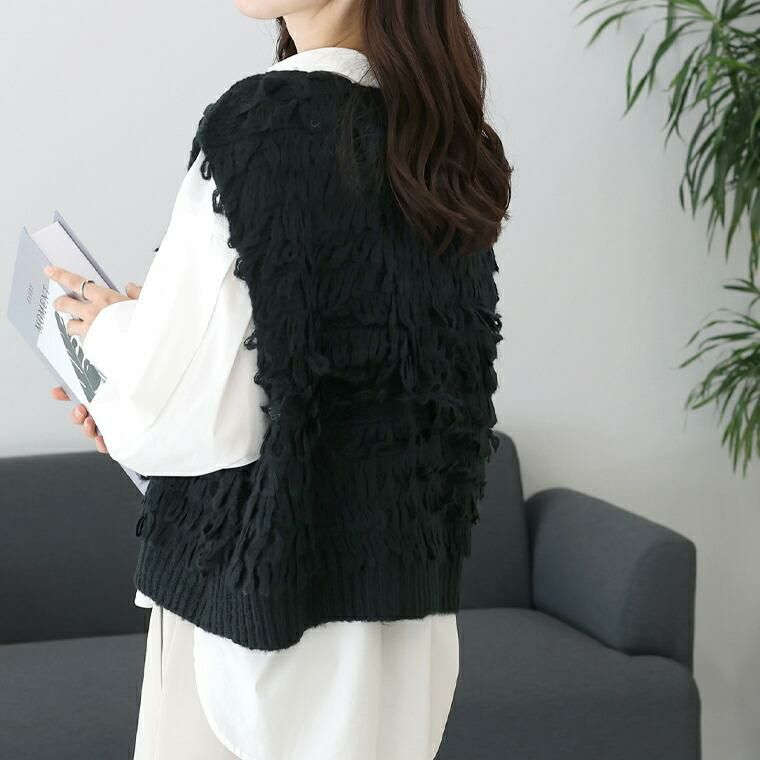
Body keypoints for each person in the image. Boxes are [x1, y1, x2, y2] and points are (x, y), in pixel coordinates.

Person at [46, 2, 512, 759]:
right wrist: (160, 345)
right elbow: (346, 386)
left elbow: (165, 414)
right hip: (399, 645)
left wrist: (110, 333)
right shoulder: (447, 144)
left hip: (245, 646)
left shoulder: (264, 125)